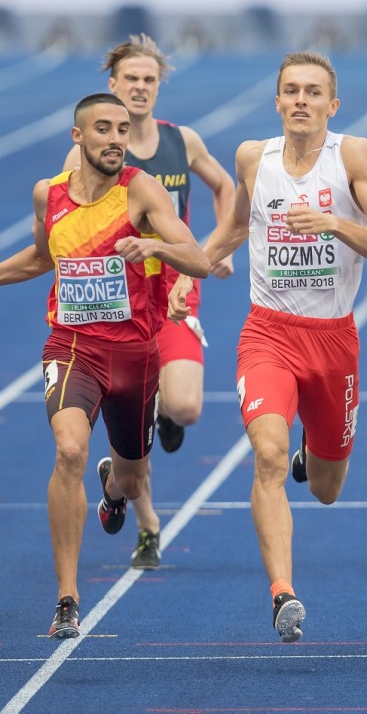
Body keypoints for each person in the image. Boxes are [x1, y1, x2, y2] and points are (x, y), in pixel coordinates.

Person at [0, 93, 210, 639]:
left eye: (122, 129)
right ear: (78, 138)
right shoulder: (50, 195)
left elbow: (198, 258)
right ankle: (67, 598)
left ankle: (114, 485)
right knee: (68, 450)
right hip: (72, 346)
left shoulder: (141, 189)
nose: (116, 138)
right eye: (104, 129)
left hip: (135, 353)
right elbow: (42, 258)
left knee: (135, 481)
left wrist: (147, 243)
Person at [169, 51, 367, 642]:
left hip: (333, 341)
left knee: (325, 489)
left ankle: (310, 455)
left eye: (313, 92)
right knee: (266, 454)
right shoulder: (253, 156)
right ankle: (282, 593)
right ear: (276, 101)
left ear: (332, 104)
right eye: (291, 91)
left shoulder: (354, 155)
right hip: (268, 333)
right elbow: (238, 227)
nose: (302, 100)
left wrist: (335, 226)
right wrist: (192, 272)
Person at [63, 34, 235, 571]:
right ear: (111, 86)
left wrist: (208, 252)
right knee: (132, 419)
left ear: (159, 87)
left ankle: (116, 477)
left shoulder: (181, 141)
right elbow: (64, 222)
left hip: (173, 286)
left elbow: (228, 191)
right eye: (130, 79)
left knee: (183, 407)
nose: (139, 88)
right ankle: (147, 525)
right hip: (115, 298)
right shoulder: (87, 152)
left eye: (149, 80)